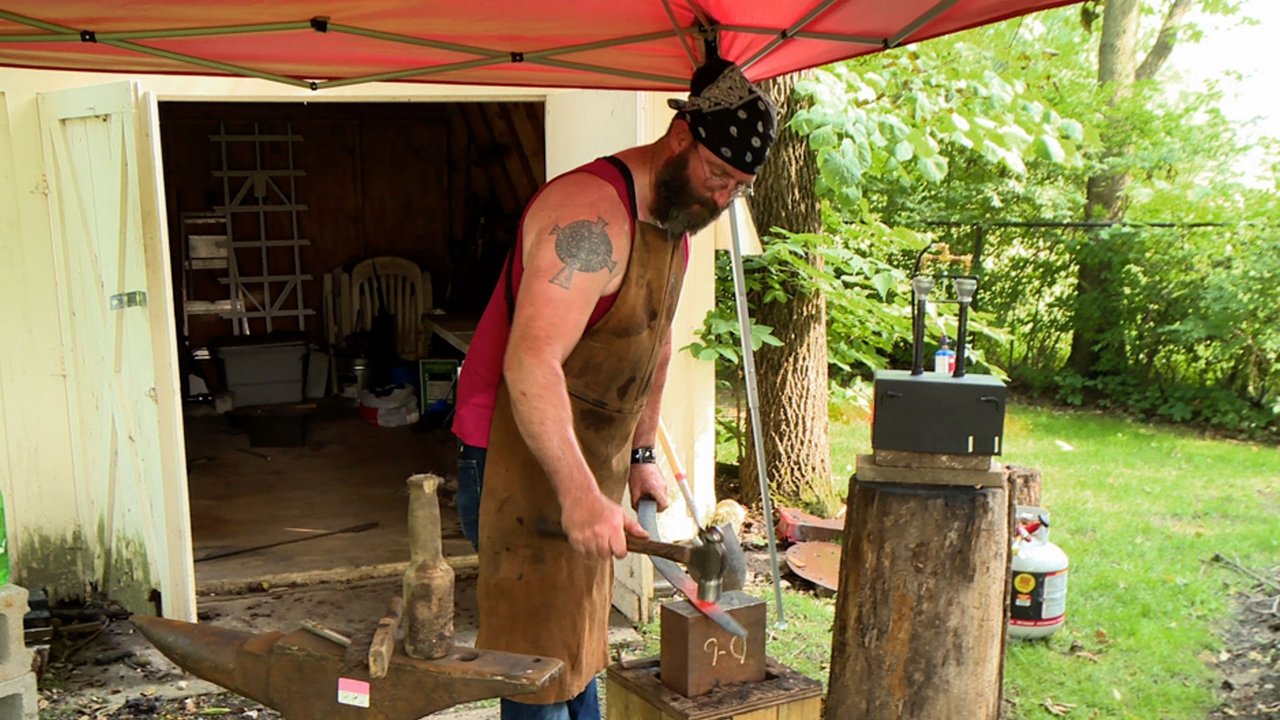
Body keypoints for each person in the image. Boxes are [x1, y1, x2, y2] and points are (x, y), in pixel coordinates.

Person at [450, 54, 777, 720]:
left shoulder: (676, 225)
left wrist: (643, 455)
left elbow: (655, 344)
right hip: (513, 458)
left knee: (578, 636)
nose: (721, 199)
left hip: (589, 462)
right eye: (717, 175)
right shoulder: (589, 219)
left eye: (737, 188)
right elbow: (530, 364)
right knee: (536, 657)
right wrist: (579, 495)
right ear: (681, 137)